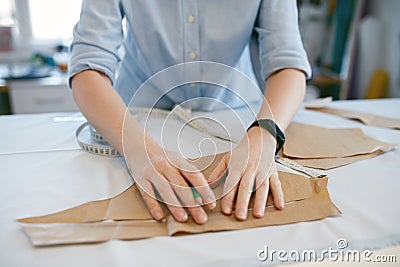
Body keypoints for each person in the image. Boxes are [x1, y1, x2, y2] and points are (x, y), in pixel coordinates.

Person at [69, 0, 312, 225]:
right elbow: (88, 66)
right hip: (135, 122)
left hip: (239, 119)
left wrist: (266, 132)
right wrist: (135, 147)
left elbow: (287, 62)